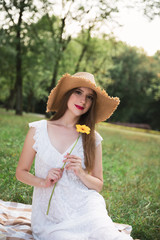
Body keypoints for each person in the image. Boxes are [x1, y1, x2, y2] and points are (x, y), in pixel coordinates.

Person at [16, 72, 133, 240]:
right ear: (67, 94)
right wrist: (43, 181)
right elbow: (21, 172)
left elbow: (98, 185)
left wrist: (81, 173)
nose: (83, 101)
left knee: (108, 235)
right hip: (50, 216)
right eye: (78, 92)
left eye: (89, 97)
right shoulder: (38, 130)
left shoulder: (91, 138)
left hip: (86, 207)